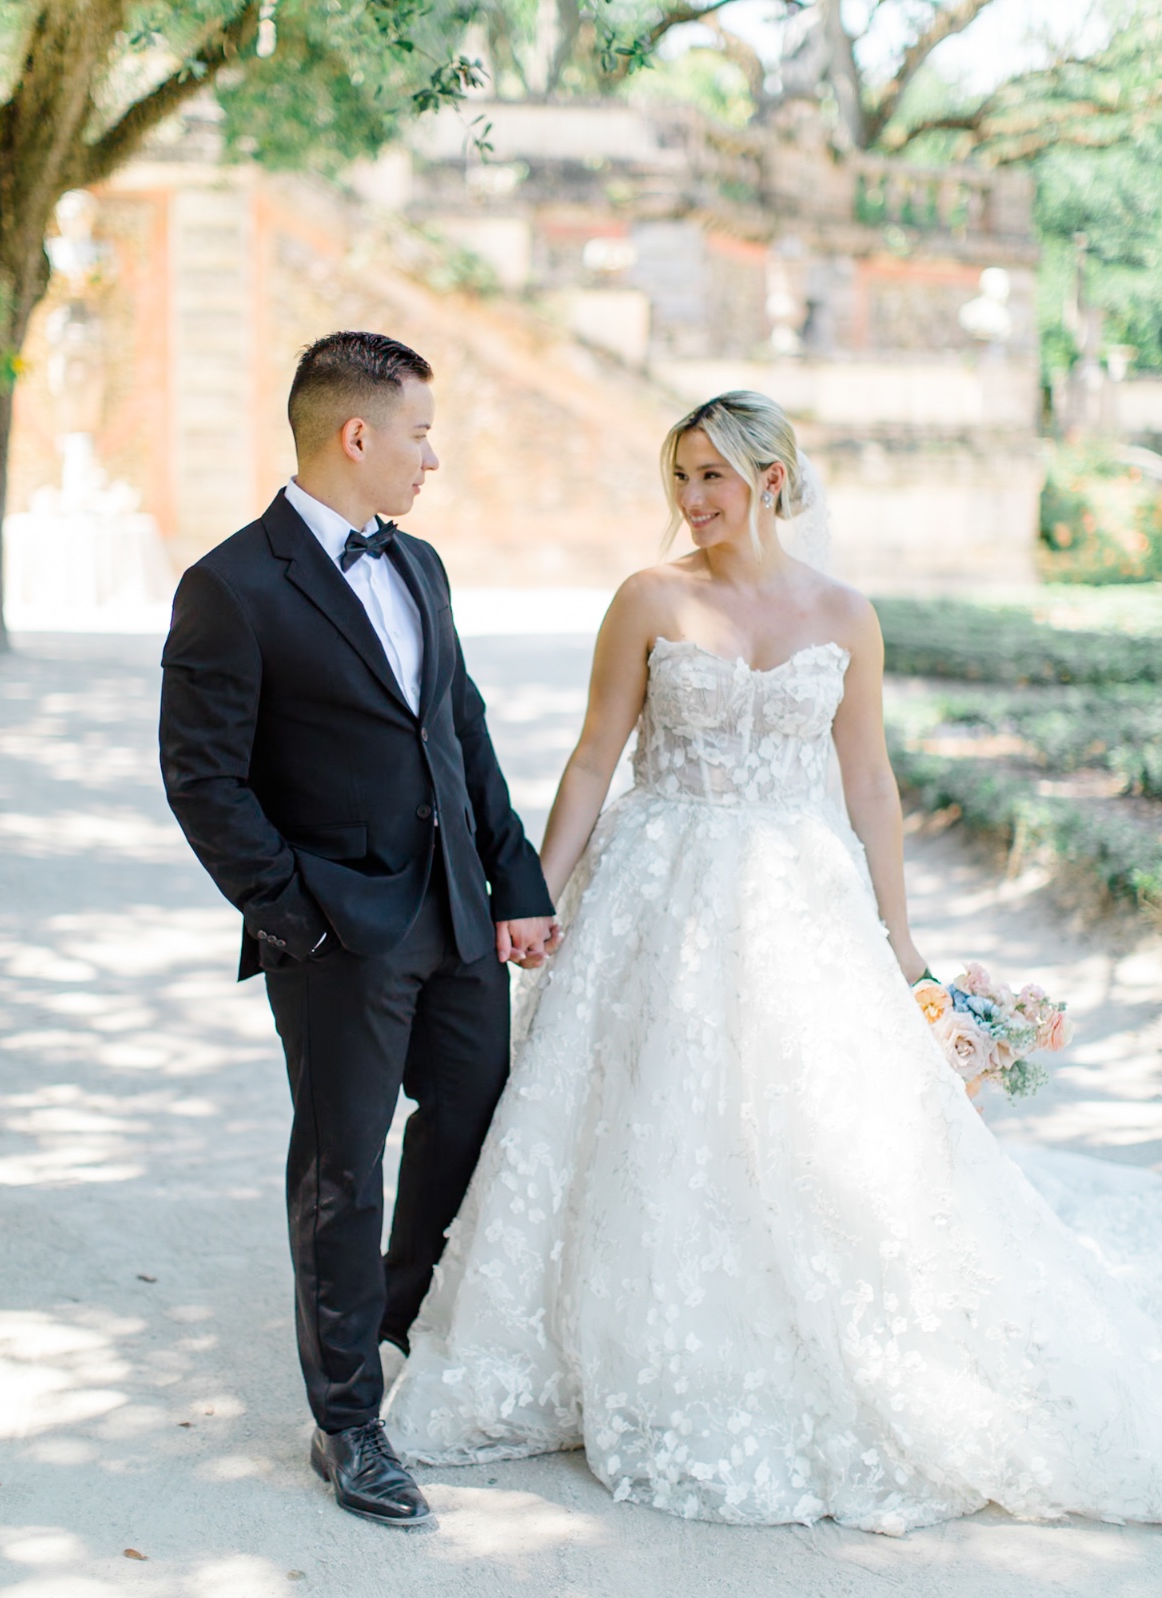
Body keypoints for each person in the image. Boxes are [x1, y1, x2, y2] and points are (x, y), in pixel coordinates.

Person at [384, 391, 1162, 1535]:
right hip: (658, 888)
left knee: (809, 1128)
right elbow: (598, 755)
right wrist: (536, 892)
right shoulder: (650, 598)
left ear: (775, 479)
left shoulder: (847, 614)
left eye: (714, 476)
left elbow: (870, 785)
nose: (694, 500)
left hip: (799, 901)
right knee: (647, 1116)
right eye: (682, 477)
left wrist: (901, 940)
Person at [159, 331, 557, 1529]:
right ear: (357, 435)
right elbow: (201, 777)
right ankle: (348, 1419)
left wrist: (517, 874)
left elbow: (460, 727)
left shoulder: (423, 563)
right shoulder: (232, 584)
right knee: (343, 1162)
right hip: (338, 929)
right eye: (421, 432)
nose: (433, 456)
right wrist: (298, 917)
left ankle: (388, 1309)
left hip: (457, 909)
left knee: (477, 1105)